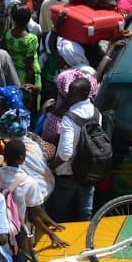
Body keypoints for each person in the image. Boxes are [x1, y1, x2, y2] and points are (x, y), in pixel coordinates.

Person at [48, 77, 102, 222]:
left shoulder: (69, 118)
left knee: (60, 215)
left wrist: (51, 166)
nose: (68, 95)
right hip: (89, 172)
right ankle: (86, 242)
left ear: (85, 93)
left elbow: (66, 153)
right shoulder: (97, 114)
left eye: (72, 93)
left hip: (67, 174)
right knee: (85, 215)